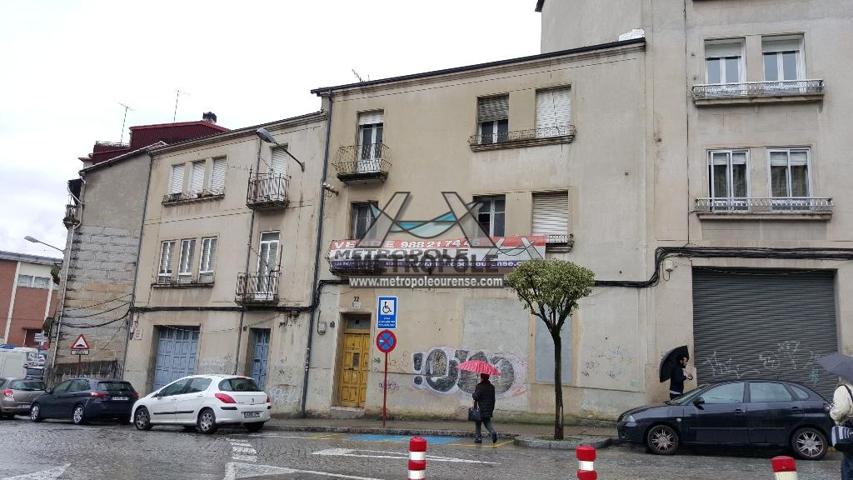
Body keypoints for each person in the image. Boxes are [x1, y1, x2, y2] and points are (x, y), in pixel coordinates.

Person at [830, 379, 853, 480]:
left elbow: (841, 410)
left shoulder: (843, 389)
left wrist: (832, 413)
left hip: (850, 429)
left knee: (849, 464)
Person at [472, 373, 497, 444]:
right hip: (488, 408)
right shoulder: (492, 387)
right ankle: (493, 432)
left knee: (478, 423)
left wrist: (473, 393)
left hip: (480, 408)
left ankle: (478, 438)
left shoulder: (479, 386)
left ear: (482, 378)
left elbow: (476, 397)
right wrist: (491, 409)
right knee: (487, 422)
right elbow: (493, 399)